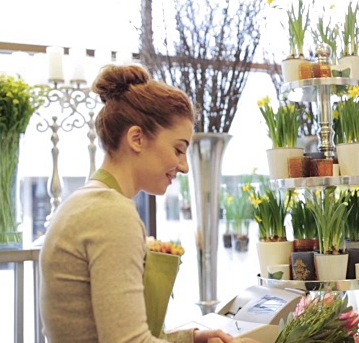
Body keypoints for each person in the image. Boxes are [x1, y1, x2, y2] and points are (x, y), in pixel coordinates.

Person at [39, 64, 238, 342]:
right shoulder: (110, 213)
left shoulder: (88, 201)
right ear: (136, 138)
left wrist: (189, 339)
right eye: (178, 149)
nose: (184, 167)